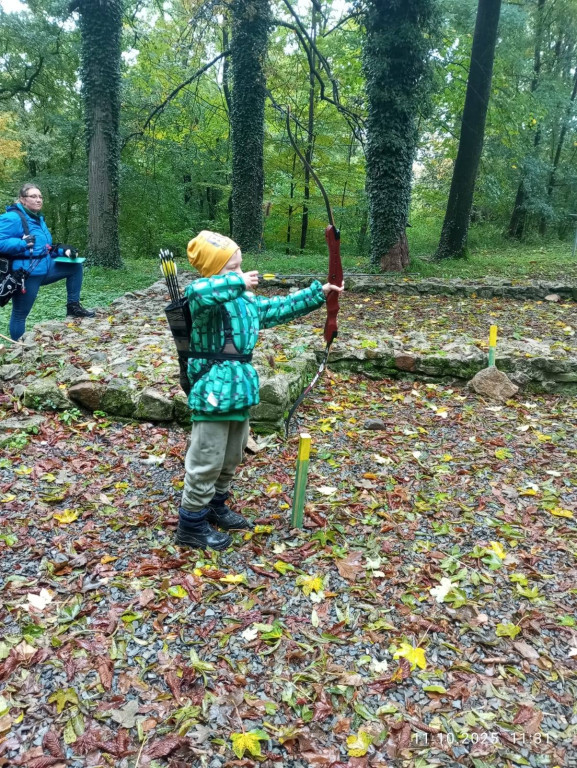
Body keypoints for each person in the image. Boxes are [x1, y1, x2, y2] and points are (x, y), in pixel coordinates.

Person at [176, 230, 344, 551]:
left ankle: (215, 506)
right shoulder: (203, 300)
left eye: (241, 266)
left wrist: (319, 293)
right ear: (214, 271)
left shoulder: (244, 300)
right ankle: (191, 524)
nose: (240, 273)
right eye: (231, 268)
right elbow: (198, 291)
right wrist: (237, 282)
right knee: (207, 458)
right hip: (212, 391)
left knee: (232, 455)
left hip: (239, 389)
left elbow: (273, 309)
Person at [0, 183, 95, 341]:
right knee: (19, 314)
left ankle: (73, 307)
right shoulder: (12, 218)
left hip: (45, 267)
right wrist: (22, 244)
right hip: (26, 274)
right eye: (33, 196)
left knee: (75, 266)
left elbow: (44, 247)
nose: (38, 200)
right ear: (22, 200)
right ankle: (18, 349)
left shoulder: (37, 218)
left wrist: (61, 250)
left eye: (40, 197)